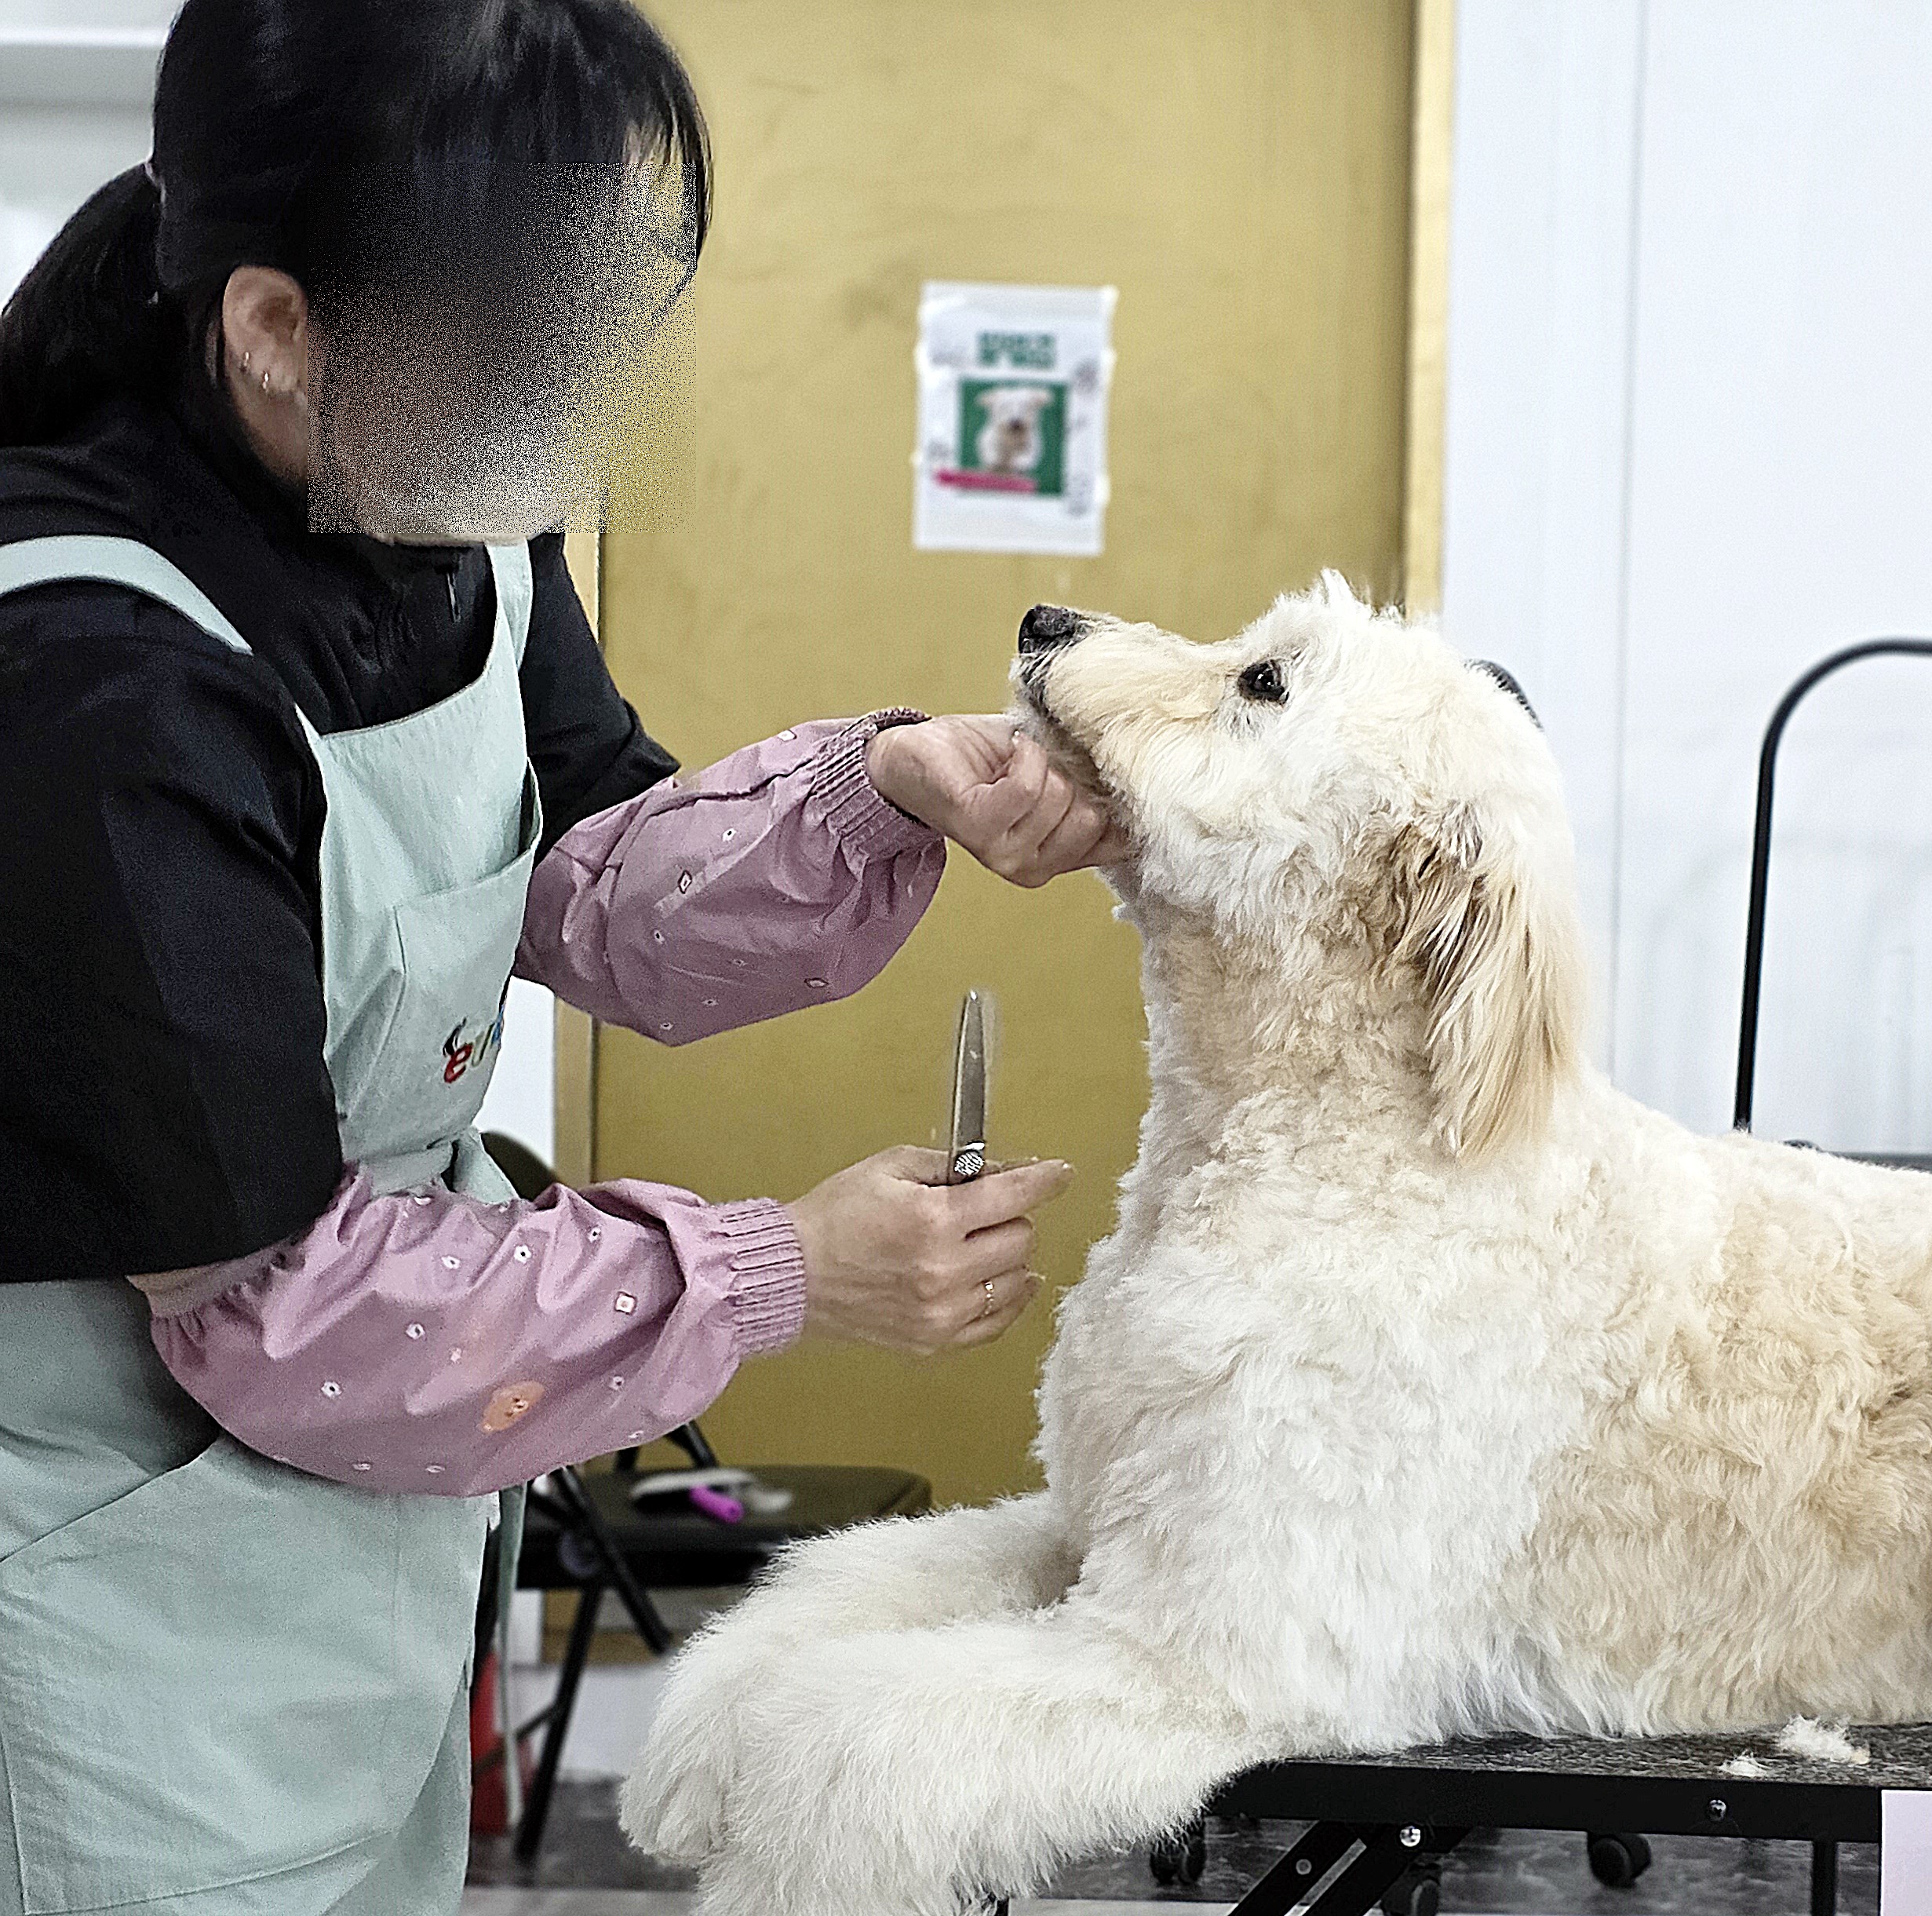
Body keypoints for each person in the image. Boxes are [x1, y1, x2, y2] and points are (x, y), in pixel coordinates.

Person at [0, 3, 1121, 1911]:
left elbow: (586, 878)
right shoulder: (90, 682)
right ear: (274, 324)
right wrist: (783, 1269)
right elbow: (286, 1314)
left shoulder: (447, 497)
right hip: (112, 1585)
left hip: (365, 1545)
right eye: (514, 357)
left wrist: (881, 791)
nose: (559, 419)